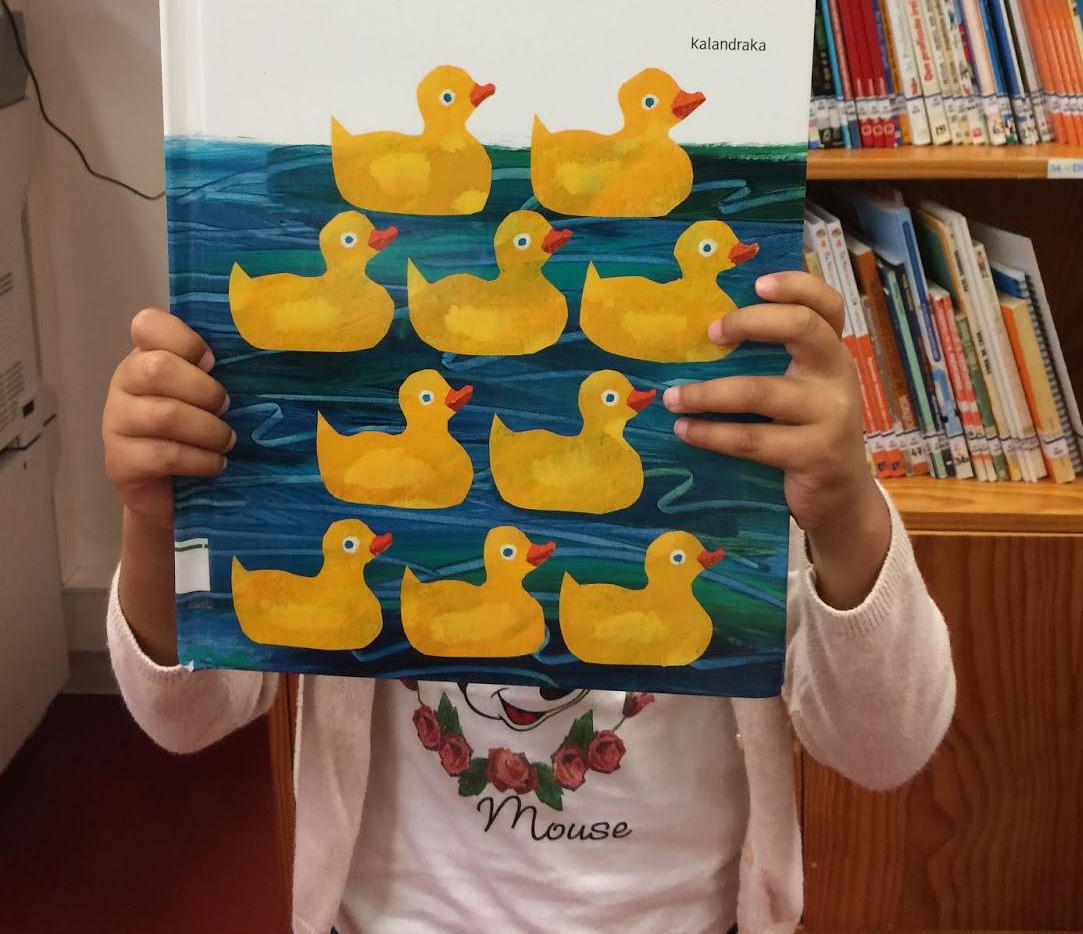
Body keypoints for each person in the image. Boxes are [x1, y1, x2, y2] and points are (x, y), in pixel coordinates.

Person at [104, 271, 954, 934]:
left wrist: (847, 513)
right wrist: (155, 523)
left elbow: (886, 747)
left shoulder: (755, 440)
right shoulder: (341, 385)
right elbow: (187, 715)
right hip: (393, 917)